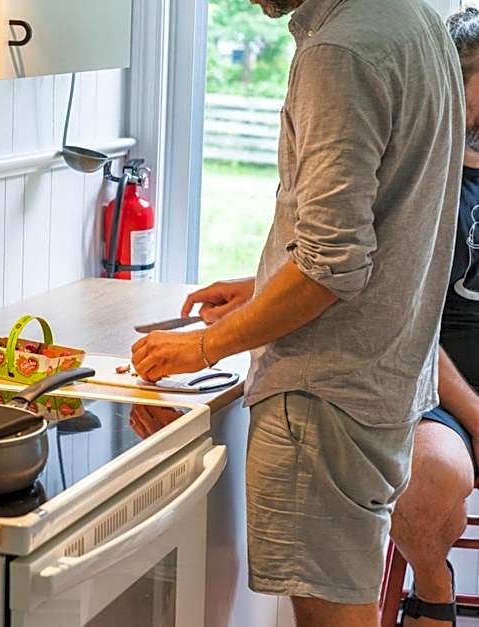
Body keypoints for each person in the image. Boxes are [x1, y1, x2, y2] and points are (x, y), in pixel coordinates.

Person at [130, 0, 465, 625]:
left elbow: (331, 266)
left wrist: (204, 348)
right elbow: (381, 223)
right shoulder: (411, 18)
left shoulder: (340, 52)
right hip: (379, 384)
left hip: (322, 399)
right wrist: (263, 288)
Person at [387, 9, 479, 626]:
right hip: (438, 391)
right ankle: (433, 589)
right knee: (427, 482)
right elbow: (407, 317)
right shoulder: (421, 175)